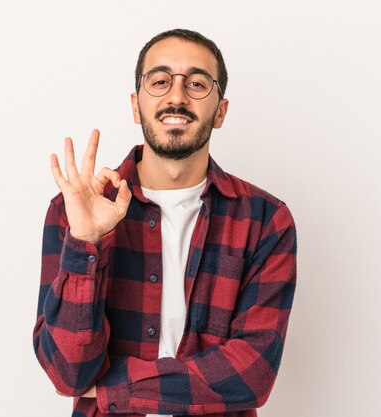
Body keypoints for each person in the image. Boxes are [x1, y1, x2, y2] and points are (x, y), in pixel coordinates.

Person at [33, 28, 297, 417]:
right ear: (136, 105)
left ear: (220, 111)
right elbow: (68, 374)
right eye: (159, 81)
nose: (177, 96)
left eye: (196, 83)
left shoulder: (264, 220)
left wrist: (112, 389)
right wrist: (86, 243)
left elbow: (252, 374)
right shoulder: (74, 211)